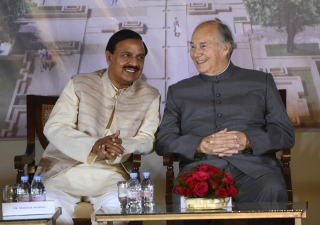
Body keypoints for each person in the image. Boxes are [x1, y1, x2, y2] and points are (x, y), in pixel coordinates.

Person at [155, 19, 294, 225]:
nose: (195, 53)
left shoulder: (260, 82)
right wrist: (199, 145)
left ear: (225, 48)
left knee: (272, 188)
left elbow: (285, 133)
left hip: (255, 170)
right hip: (200, 171)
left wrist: (247, 140)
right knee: (186, 195)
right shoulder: (179, 91)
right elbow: (164, 140)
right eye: (192, 46)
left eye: (203, 46)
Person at [35, 29, 160, 225]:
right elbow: (55, 127)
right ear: (109, 57)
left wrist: (119, 144)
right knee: (49, 213)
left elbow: (147, 139)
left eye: (140, 57)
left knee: (119, 212)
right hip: (64, 171)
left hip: (111, 176)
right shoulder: (80, 83)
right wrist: (93, 145)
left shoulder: (150, 95)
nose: (134, 63)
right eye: (126, 55)